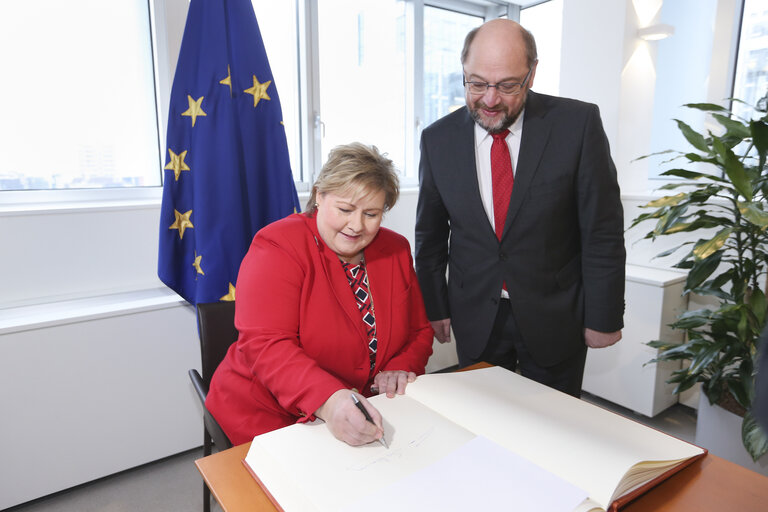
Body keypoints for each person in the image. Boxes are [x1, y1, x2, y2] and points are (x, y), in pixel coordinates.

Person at [415, 19, 625, 397]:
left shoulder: (577, 125)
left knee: (554, 428)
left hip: (556, 314)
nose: (490, 99)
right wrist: (435, 306)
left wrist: (604, 316)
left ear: (531, 74)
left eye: (507, 85)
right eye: (476, 83)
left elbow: (602, 230)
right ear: (463, 71)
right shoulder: (437, 140)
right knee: (483, 422)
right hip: (475, 312)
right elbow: (430, 237)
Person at [206, 143, 434, 446]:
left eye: (371, 214)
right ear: (318, 195)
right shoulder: (277, 246)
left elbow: (419, 330)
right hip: (267, 411)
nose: (356, 225)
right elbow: (266, 345)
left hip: (364, 407)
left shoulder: (396, 249)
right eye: (345, 209)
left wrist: (401, 365)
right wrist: (327, 399)